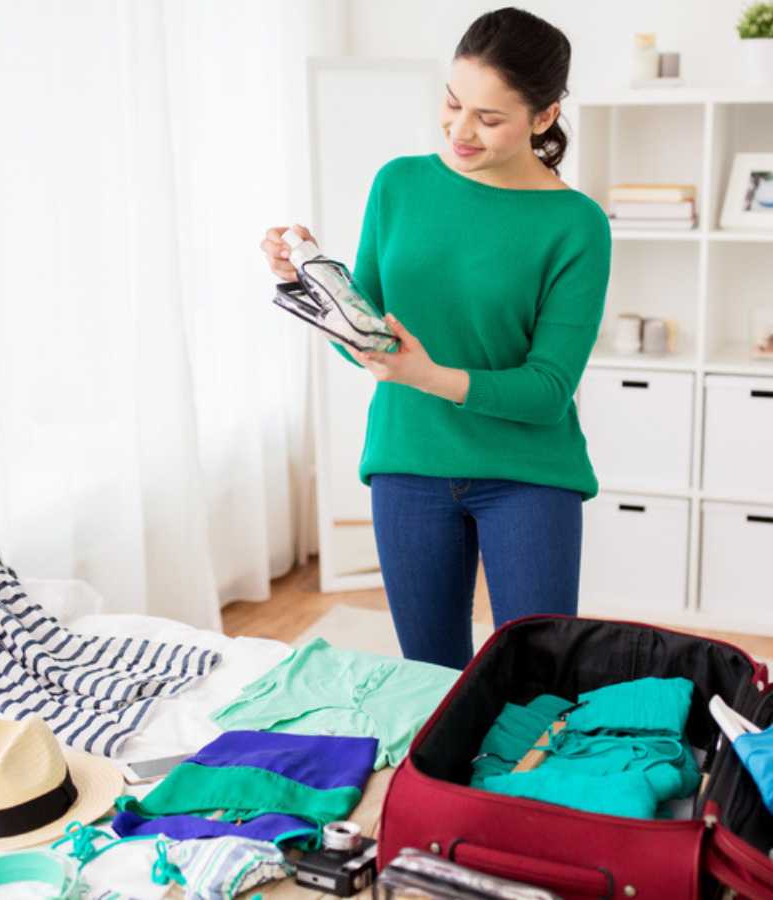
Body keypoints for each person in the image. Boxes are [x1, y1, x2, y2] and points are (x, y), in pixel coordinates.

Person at [260, 7, 611, 669]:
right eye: (453, 104)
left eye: (490, 117)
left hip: (528, 476)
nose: (460, 131)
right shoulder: (399, 183)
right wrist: (310, 279)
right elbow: (363, 332)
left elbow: (547, 391)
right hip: (409, 466)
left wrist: (425, 375)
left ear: (544, 116)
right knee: (430, 678)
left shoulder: (576, 224)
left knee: (535, 681)